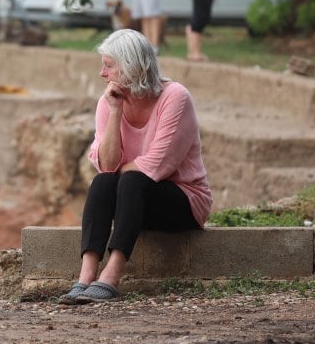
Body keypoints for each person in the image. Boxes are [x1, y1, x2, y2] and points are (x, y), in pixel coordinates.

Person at [58, 29, 212, 304]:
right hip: (134, 200)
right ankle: (85, 277)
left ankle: (111, 277)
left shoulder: (175, 97)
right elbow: (106, 166)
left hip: (183, 202)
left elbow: (157, 166)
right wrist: (116, 112)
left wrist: (122, 173)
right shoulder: (108, 102)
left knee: (131, 179)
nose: (102, 74)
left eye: (108, 66)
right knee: (103, 182)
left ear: (131, 67)